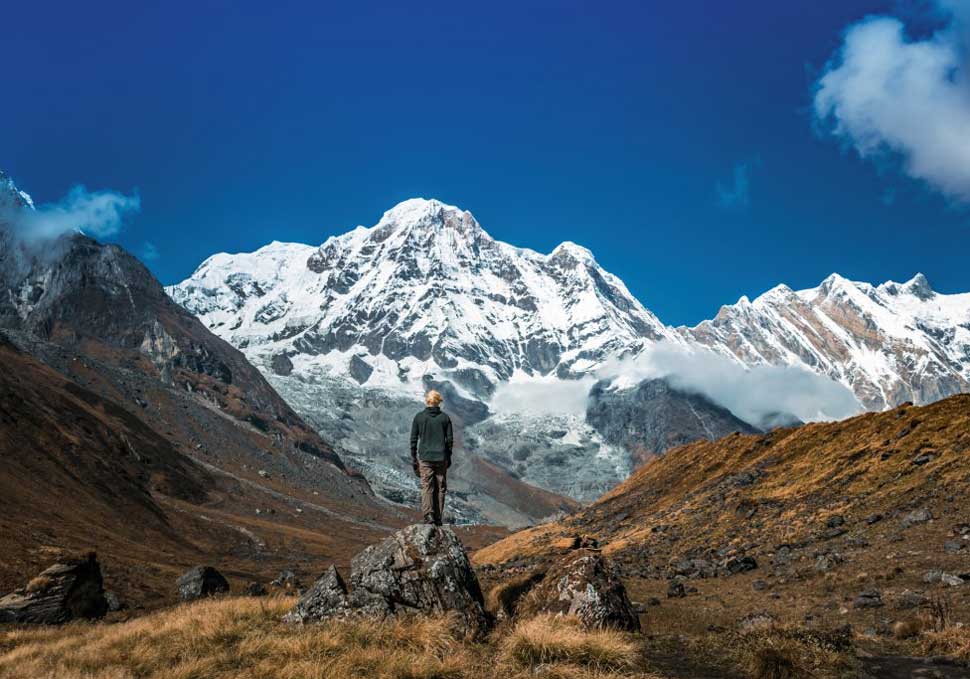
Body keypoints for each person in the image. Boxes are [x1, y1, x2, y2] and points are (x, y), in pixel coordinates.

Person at [410, 389, 454, 526]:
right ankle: (438, 517)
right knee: (440, 488)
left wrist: (413, 457)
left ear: (427, 401)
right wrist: (448, 456)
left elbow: (413, 439)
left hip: (425, 457)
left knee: (427, 487)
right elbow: (450, 440)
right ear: (438, 402)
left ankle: (428, 516)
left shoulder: (419, 417)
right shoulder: (445, 418)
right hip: (441, 458)